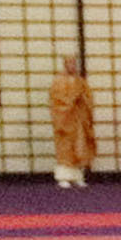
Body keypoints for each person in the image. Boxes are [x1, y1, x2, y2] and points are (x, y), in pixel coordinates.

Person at [49, 55, 94, 188]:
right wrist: (71, 100)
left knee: (79, 147)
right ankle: (63, 177)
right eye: (69, 63)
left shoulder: (80, 81)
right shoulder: (58, 81)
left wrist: (82, 100)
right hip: (65, 120)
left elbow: (88, 98)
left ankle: (77, 176)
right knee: (65, 148)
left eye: (74, 63)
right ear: (65, 65)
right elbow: (56, 100)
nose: (72, 66)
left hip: (78, 119)